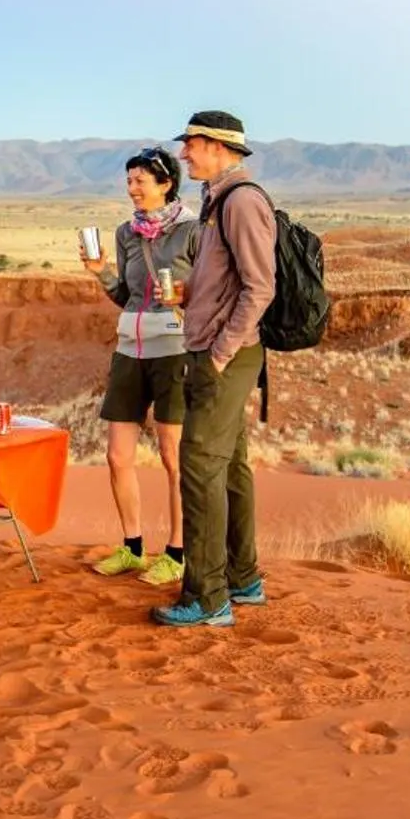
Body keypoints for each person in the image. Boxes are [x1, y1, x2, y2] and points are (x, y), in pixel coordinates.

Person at [151, 111, 275, 629]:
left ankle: (207, 598)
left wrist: (220, 353)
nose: (184, 155)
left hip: (225, 355)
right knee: (228, 466)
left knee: (199, 468)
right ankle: (243, 578)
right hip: (220, 348)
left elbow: (259, 287)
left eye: (192, 145)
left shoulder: (241, 201)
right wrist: (189, 295)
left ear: (219, 147)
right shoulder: (218, 198)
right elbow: (229, 282)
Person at [79, 146, 199, 589]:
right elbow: (123, 295)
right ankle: (131, 548)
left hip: (175, 351)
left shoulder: (192, 231)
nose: (131, 190)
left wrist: (184, 296)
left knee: (173, 457)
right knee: (117, 456)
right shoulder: (126, 234)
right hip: (130, 349)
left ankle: (177, 553)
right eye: (128, 182)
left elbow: (208, 292)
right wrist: (101, 272)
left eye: (140, 182)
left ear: (166, 184)